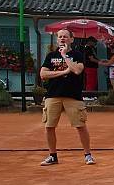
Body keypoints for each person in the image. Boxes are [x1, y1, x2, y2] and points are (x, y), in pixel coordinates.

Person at [38, 29, 95, 166]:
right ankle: (53, 155)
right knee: (49, 126)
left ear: (71, 39)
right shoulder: (51, 56)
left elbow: (77, 70)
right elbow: (43, 74)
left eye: (65, 36)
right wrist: (63, 72)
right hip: (53, 94)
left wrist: (65, 56)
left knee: (80, 125)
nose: (62, 39)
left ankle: (88, 154)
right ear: (57, 39)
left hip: (73, 95)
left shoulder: (77, 55)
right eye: (60, 37)